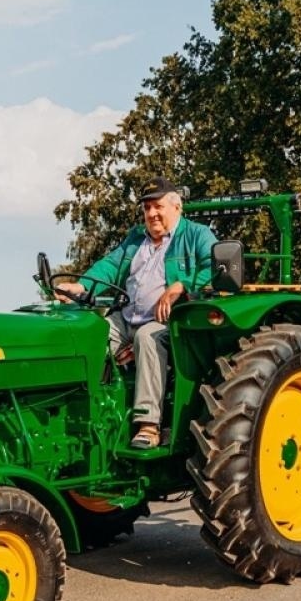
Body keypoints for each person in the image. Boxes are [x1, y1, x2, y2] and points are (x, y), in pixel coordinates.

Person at [57, 177, 218, 449]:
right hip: (126, 316)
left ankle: (148, 425)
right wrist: (80, 285)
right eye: (146, 209)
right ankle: (84, 414)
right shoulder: (136, 238)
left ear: (176, 206)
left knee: (147, 337)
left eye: (157, 207)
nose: (152, 214)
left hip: (170, 321)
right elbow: (109, 265)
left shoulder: (196, 235)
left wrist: (182, 285)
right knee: (91, 335)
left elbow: (215, 265)